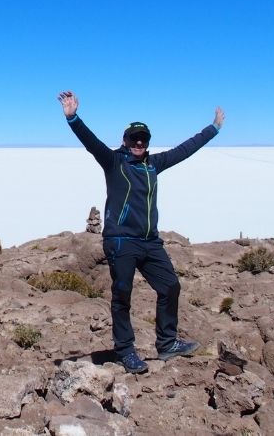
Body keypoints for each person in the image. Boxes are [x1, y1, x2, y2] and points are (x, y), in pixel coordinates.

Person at [58, 90, 225, 374]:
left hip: (150, 242)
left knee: (170, 286)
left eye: (143, 139)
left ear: (148, 143)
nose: (138, 142)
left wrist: (213, 129)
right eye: (133, 138)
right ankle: (125, 350)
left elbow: (185, 149)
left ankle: (167, 343)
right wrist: (73, 118)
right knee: (122, 296)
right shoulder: (114, 162)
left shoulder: (152, 165)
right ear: (125, 141)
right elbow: (91, 143)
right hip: (121, 241)